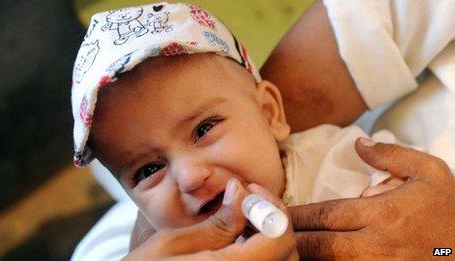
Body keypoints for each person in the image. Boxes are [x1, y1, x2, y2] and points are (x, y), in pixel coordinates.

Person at [72, 1, 455, 260]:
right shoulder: (160, 244)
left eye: (204, 129)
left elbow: (419, 221)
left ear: (271, 112)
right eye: (148, 170)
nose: (189, 177)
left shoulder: (351, 164)